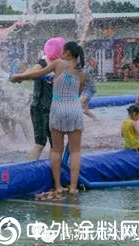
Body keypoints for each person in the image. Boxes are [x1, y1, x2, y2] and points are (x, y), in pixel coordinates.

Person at [10, 41, 86, 195]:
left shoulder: (58, 64)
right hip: (74, 109)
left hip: (57, 109)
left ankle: (57, 186)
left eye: (63, 51)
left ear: (67, 54)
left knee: (56, 150)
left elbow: (37, 74)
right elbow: (77, 94)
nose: (60, 54)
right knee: (75, 151)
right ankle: (72, 187)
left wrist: (18, 76)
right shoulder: (82, 72)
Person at [27, 37, 65, 160]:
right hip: (40, 108)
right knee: (40, 144)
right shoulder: (43, 62)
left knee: (54, 144)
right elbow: (33, 71)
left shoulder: (59, 64)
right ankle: (31, 171)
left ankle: (51, 170)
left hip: (51, 109)